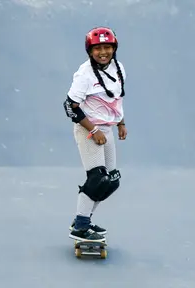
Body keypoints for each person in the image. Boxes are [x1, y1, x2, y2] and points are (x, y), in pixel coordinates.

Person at [63, 27, 128, 242]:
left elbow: (116, 99)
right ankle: (80, 227)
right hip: (88, 129)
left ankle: (84, 220)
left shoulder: (119, 69)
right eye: (98, 48)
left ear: (114, 48)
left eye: (107, 47)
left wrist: (121, 122)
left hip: (107, 129)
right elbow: (70, 107)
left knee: (111, 181)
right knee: (97, 178)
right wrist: (93, 130)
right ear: (90, 51)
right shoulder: (85, 74)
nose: (103, 52)